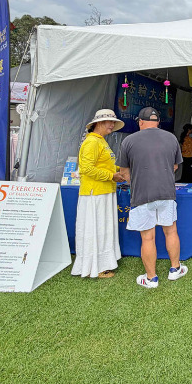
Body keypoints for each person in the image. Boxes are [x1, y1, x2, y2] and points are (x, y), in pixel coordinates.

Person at [117, 107, 186, 288]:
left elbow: (124, 173)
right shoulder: (171, 138)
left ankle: (151, 278)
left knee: (147, 237)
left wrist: (138, 180)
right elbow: (175, 167)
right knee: (171, 231)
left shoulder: (128, 141)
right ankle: (175, 269)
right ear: (158, 122)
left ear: (140, 121)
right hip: (166, 192)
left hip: (141, 193)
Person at [71, 109, 124, 279]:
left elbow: (104, 166)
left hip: (105, 190)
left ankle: (103, 263)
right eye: (109, 121)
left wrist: (120, 171)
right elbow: (86, 169)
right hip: (95, 193)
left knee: (103, 229)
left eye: (113, 122)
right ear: (99, 123)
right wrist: (112, 176)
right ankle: (94, 266)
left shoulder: (100, 141)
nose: (112, 125)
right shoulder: (92, 142)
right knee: (96, 229)